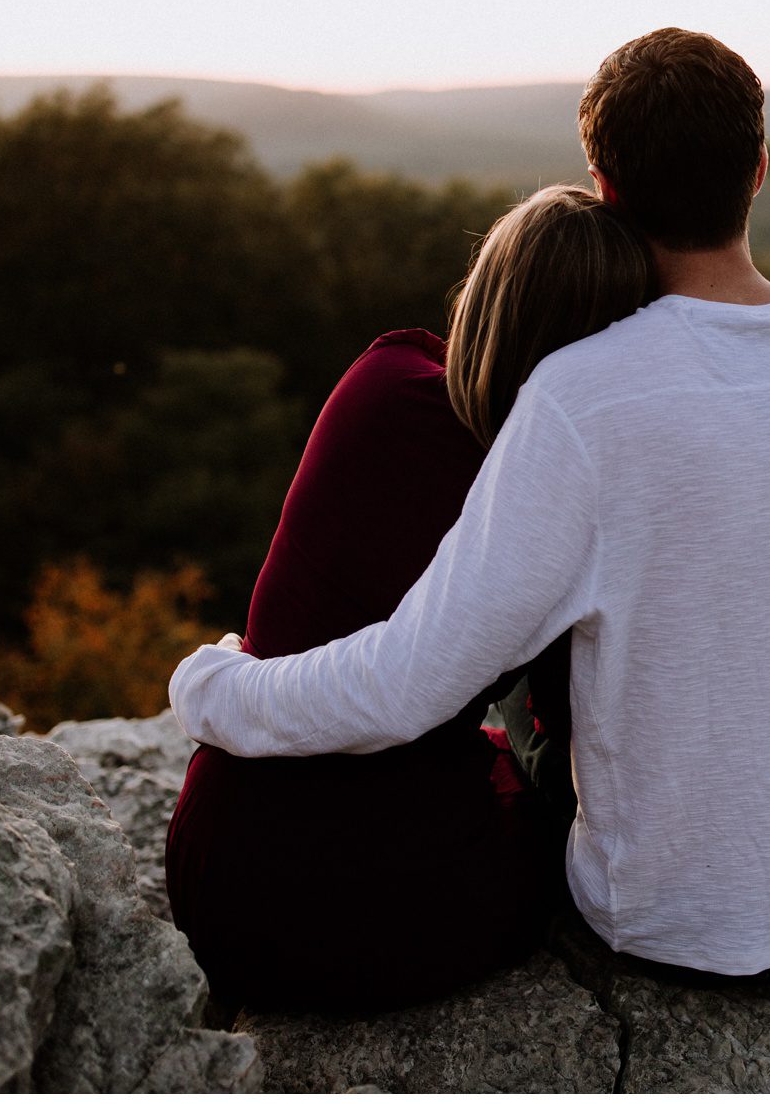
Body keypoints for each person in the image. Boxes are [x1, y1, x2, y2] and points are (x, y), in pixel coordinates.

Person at [172, 27, 770, 985]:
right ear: (758, 169)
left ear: (604, 184)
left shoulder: (583, 396)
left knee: (535, 637)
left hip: (677, 928)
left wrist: (218, 689)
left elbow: (406, 685)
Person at [163, 184, 649, 1012]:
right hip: (377, 907)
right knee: (558, 825)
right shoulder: (543, 493)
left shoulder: (383, 372)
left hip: (216, 861)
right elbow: (576, 734)